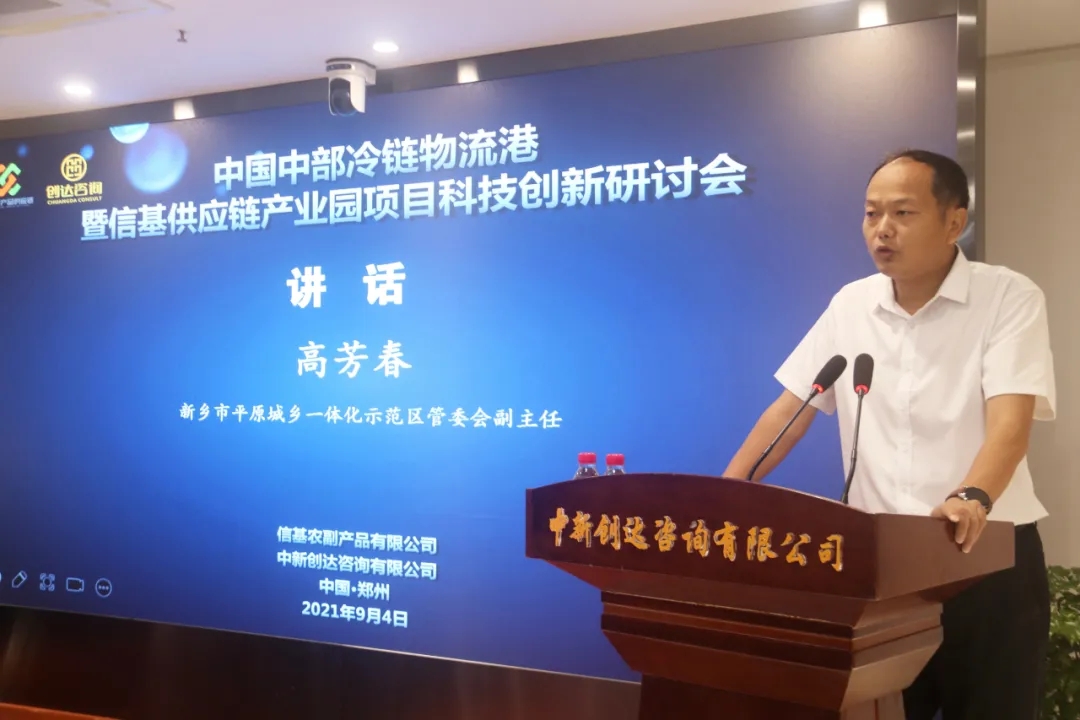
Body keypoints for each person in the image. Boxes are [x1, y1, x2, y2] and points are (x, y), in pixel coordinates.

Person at [722, 149, 1055, 720]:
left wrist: (971, 496)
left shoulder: (1008, 297)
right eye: (871, 213)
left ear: (954, 221)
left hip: (987, 560)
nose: (882, 229)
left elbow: (1010, 426)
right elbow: (789, 410)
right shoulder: (852, 304)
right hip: (885, 567)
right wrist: (726, 492)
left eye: (903, 213)